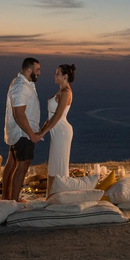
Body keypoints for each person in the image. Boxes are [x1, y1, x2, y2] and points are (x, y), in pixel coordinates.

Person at [2, 57, 41, 200]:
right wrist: (32, 134)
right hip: (23, 133)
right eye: (37, 69)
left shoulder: (24, 83)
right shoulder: (21, 86)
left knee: (12, 164)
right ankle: (13, 201)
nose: (39, 73)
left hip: (20, 132)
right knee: (22, 165)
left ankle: (6, 198)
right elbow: (18, 113)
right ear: (29, 69)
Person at [38, 64, 75, 196]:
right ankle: (51, 197)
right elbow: (50, 116)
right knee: (53, 166)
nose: (55, 76)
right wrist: (41, 130)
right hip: (56, 131)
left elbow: (58, 115)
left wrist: (43, 132)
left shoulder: (66, 93)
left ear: (65, 76)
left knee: (59, 166)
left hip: (62, 131)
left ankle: (58, 197)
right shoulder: (60, 92)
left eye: (57, 73)